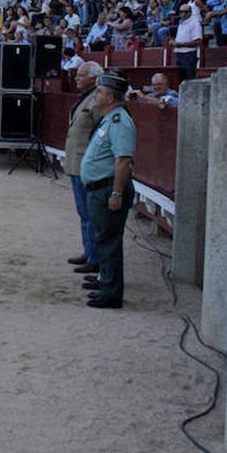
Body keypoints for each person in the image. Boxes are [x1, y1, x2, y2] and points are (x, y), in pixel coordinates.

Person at [79, 72, 137, 309]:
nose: (97, 95)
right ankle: (106, 282)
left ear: (111, 97)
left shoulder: (119, 121)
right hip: (100, 188)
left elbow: (123, 160)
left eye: (101, 92)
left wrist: (116, 193)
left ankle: (111, 293)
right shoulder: (110, 118)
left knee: (109, 241)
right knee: (104, 238)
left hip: (107, 189)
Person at [64, 60, 102, 276]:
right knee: (83, 211)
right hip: (77, 162)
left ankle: (94, 257)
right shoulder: (87, 98)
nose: (76, 78)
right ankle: (88, 252)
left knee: (90, 213)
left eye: (81, 75)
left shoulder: (98, 100)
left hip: (86, 163)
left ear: (94, 78)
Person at [169, 3, 203, 80]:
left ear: (190, 13)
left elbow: (197, 41)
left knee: (189, 78)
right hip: (179, 54)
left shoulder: (195, 23)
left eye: (186, 12)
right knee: (180, 78)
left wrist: (180, 44)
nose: (183, 14)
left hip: (189, 54)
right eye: (181, 12)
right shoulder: (181, 23)